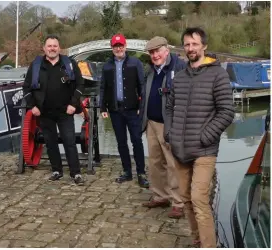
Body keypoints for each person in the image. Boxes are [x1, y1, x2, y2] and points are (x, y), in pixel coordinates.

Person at [164, 27, 235, 248]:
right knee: (185, 198)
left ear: (204, 46)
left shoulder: (218, 74)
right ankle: (196, 240)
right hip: (180, 150)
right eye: (187, 44)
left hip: (205, 151)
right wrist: (170, 133)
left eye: (194, 44)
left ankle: (208, 245)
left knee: (199, 200)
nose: (190, 48)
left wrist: (206, 136)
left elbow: (227, 112)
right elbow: (169, 107)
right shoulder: (180, 76)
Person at [23, 35, 85, 185]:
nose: (52, 48)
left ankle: (75, 173)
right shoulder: (36, 65)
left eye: (55, 46)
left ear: (59, 48)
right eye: (49, 46)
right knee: (50, 143)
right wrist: (33, 106)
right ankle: (56, 170)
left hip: (65, 111)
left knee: (69, 141)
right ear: (44, 48)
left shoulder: (69, 63)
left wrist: (73, 104)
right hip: (44, 112)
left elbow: (80, 84)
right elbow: (26, 87)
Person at [140, 36, 186, 218]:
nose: (155, 55)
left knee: (173, 164)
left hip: (170, 123)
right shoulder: (150, 70)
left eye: (158, 51)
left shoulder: (179, 67)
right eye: (152, 52)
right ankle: (160, 196)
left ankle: (178, 202)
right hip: (151, 122)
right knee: (154, 162)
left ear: (166, 50)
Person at [99, 33, 149, 188]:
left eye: (121, 45)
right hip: (115, 110)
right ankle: (127, 171)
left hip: (133, 109)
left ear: (125, 46)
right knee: (121, 142)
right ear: (112, 48)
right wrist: (102, 107)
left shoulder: (135, 63)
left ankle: (141, 173)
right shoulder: (107, 65)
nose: (118, 48)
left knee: (136, 141)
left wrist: (142, 107)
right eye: (115, 46)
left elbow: (142, 86)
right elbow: (103, 87)